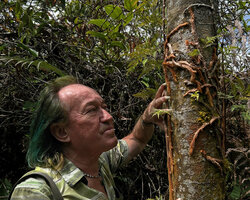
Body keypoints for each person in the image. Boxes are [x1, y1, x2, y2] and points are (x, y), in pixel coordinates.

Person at [10, 76, 169, 200]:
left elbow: (137, 139)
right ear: (61, 132)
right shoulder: (37, 191)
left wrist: (147, 118)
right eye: (92, 110)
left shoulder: (101, 163)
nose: (108, 117)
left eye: (104, 108)